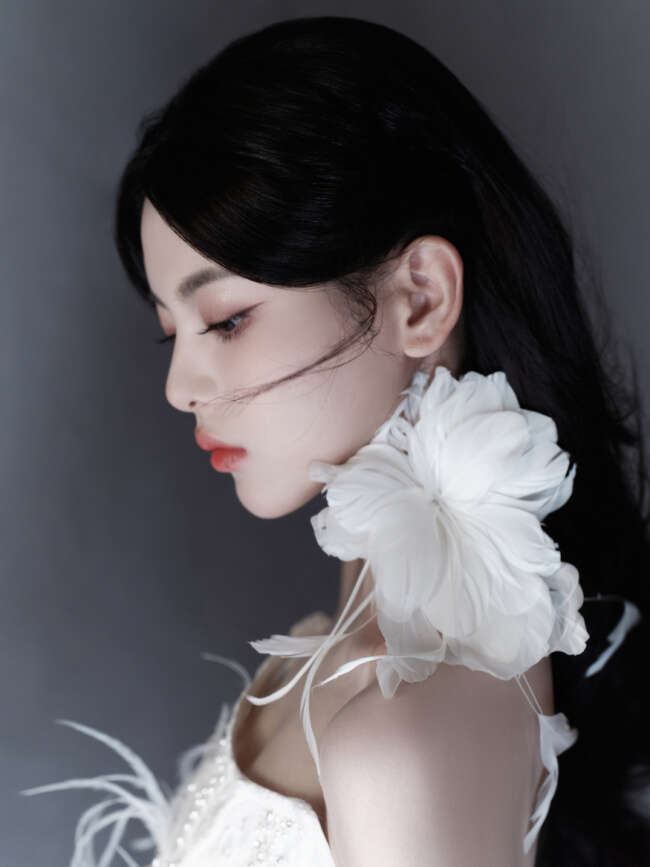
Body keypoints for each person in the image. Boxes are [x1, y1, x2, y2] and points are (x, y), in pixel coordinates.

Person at [21, 15, 650, 867]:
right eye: (173, 332)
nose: (179, 387)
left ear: (421, 297)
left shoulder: (405, 736)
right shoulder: (320, 665)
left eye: (226, 319)